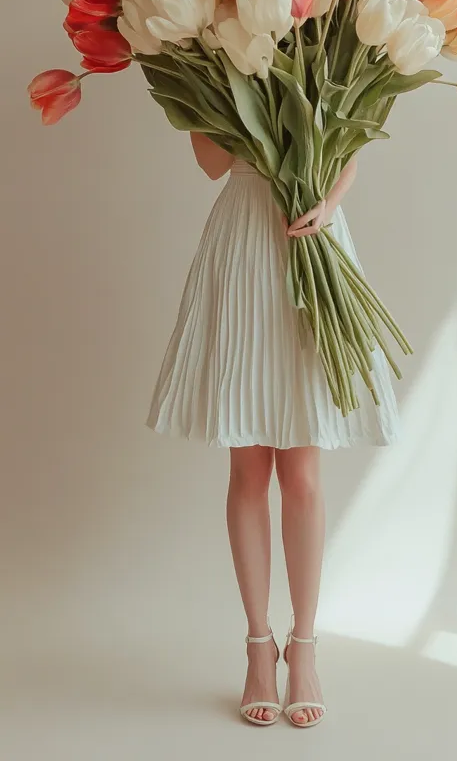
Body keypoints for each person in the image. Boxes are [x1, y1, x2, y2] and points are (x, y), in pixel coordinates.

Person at [146, 132, 400, 727]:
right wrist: (205, 85)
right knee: (248, 470)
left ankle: (304, 646)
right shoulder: (209, 45)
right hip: (243, 244)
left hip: (309, 238)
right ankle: (259, 646)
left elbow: (348, 142)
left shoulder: (323, 39)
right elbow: (212, 165)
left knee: (303, 475)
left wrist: (330, 203)